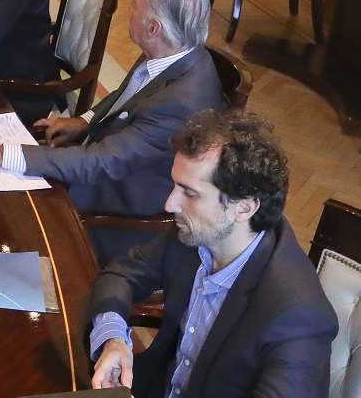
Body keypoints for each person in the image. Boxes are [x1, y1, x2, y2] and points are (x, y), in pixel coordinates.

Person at [0, 0, 226, 260]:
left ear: (153, 28)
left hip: (117, 207)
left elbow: (100, 162)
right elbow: (128, 98)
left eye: (135, 4)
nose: (129, 9)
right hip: (108, 163)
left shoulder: (180, 103)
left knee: (1, 215)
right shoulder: (171, 49)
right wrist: (84, 121)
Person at [88, 110, 337, 397]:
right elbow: (121, 274)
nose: (170, 204)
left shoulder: (298, 317)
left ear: (244, 208)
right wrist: (114, 339)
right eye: (175, 186)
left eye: (189, 193)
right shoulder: (199, 234)